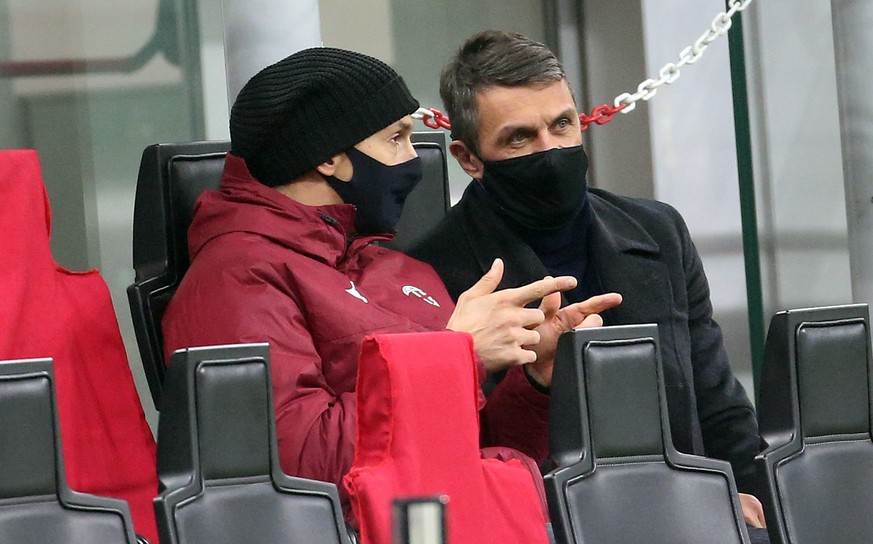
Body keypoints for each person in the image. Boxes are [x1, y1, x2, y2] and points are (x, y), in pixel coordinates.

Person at [161, 46, 621, 519]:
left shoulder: (395, 267)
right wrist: (456, 355)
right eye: (396, 138)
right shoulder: (236, 278)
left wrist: (536, 379)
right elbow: (294, 467)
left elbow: (472, 445)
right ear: (330, 159)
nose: (415, 160)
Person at [409, 30, 770, 539]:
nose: (550, 149)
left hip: (685, 514)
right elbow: (461, 447)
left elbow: (716, 401)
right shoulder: (427, 271)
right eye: (519, 138)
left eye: (561, 125)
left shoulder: (658, 231)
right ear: (469, 159)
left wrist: (753, 496)